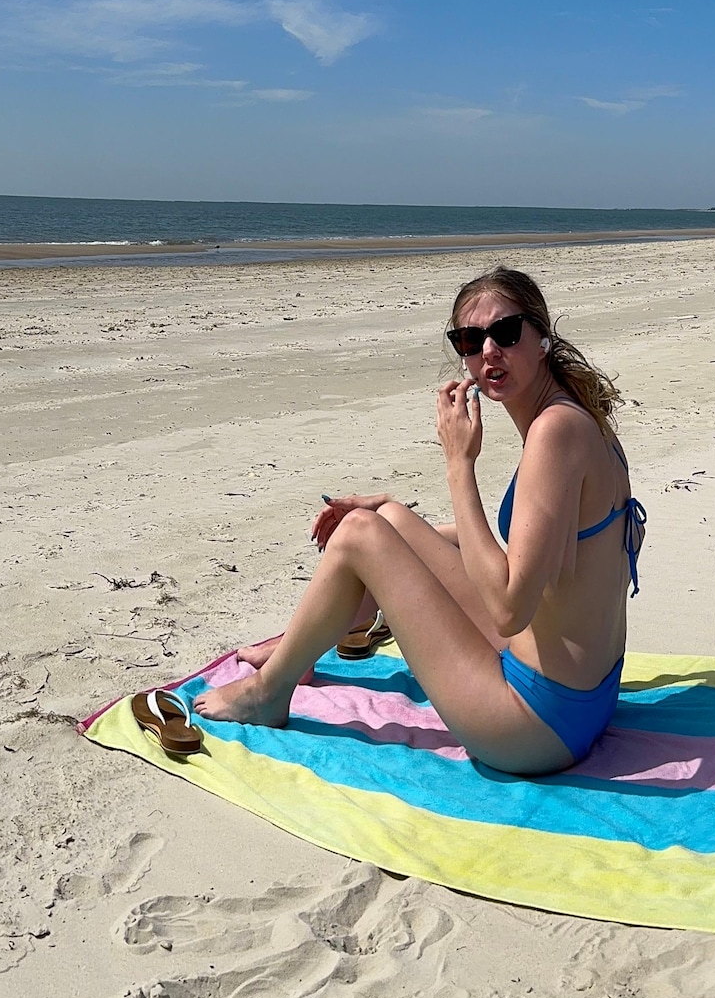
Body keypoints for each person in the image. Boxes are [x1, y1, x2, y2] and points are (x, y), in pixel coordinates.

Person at [187, 266, 641, 775]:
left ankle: (269, 692)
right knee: (385, 521)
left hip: (534, 724)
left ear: (541, 338)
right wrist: (396, 519)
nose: (489, 351)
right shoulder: (578, 416)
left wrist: (459, 465)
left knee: (359, 534)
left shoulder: (552, 434)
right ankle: (299, 649)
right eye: (470, 340)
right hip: (588, 697)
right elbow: (539, 553)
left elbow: (509, 609)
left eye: (506, 332)